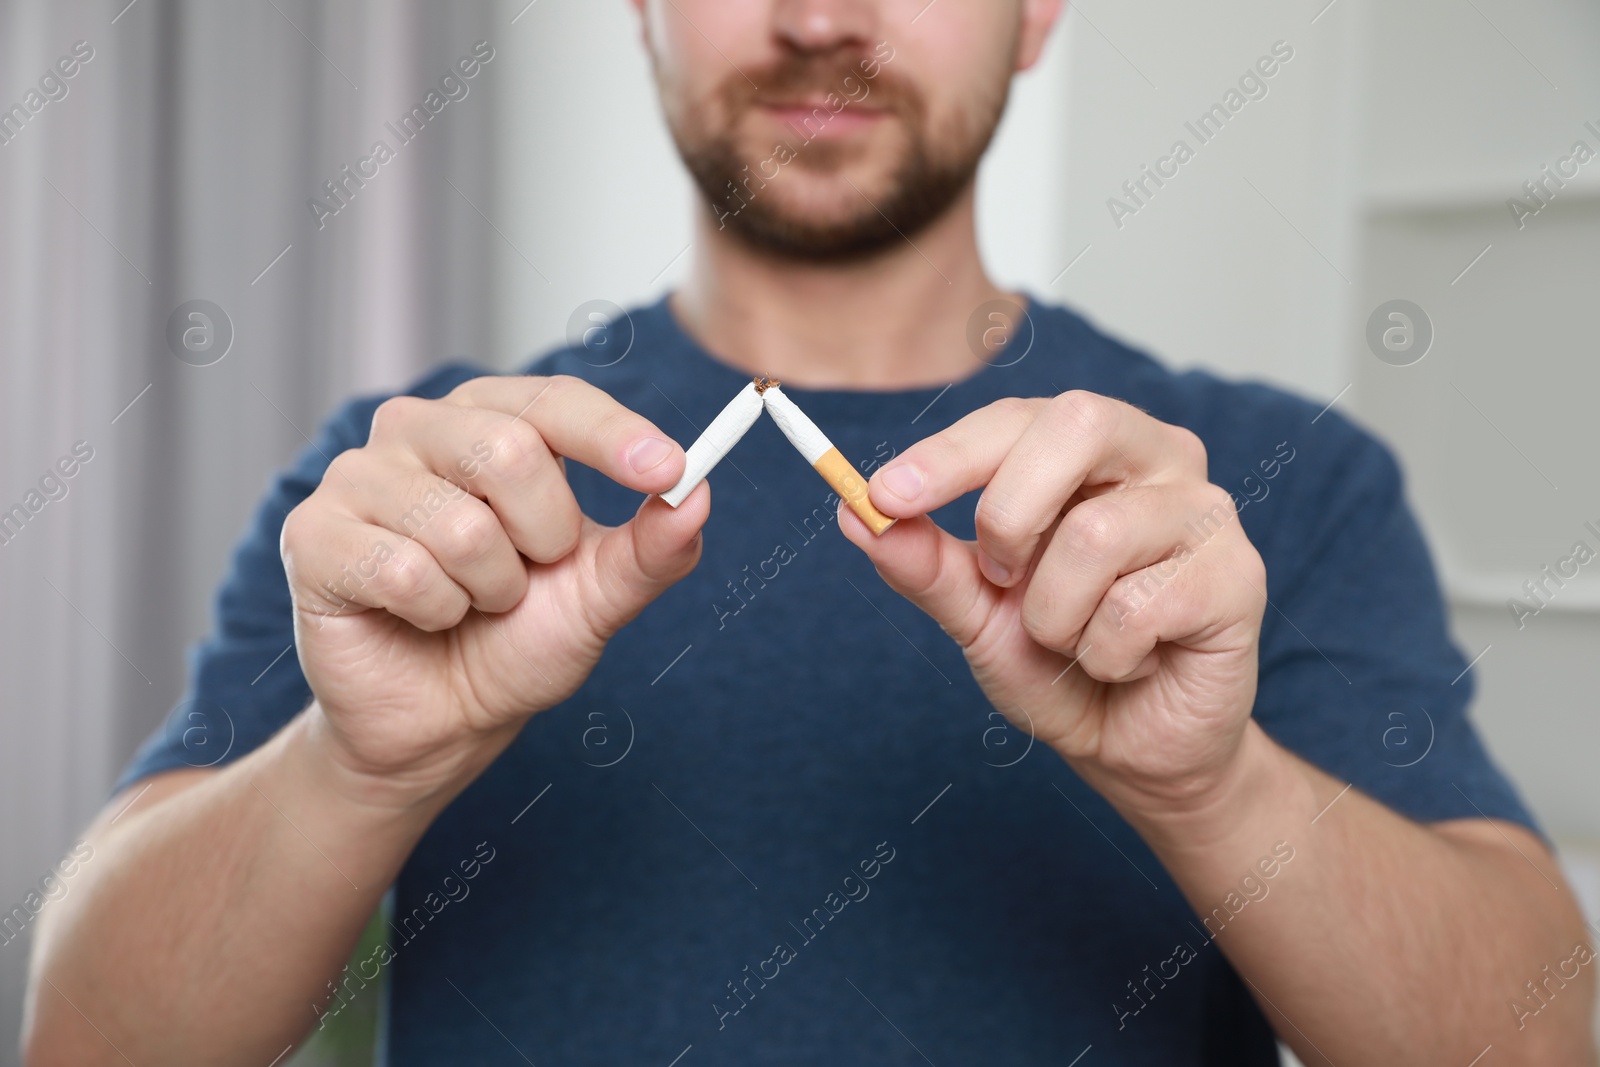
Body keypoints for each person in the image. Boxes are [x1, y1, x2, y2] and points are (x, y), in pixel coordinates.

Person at [24, 1, 1596, 1064]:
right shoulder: (424, 491)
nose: (822, 14)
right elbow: (88, 1037)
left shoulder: (1259, 487)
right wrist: (357, 767)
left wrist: (1211, 781)